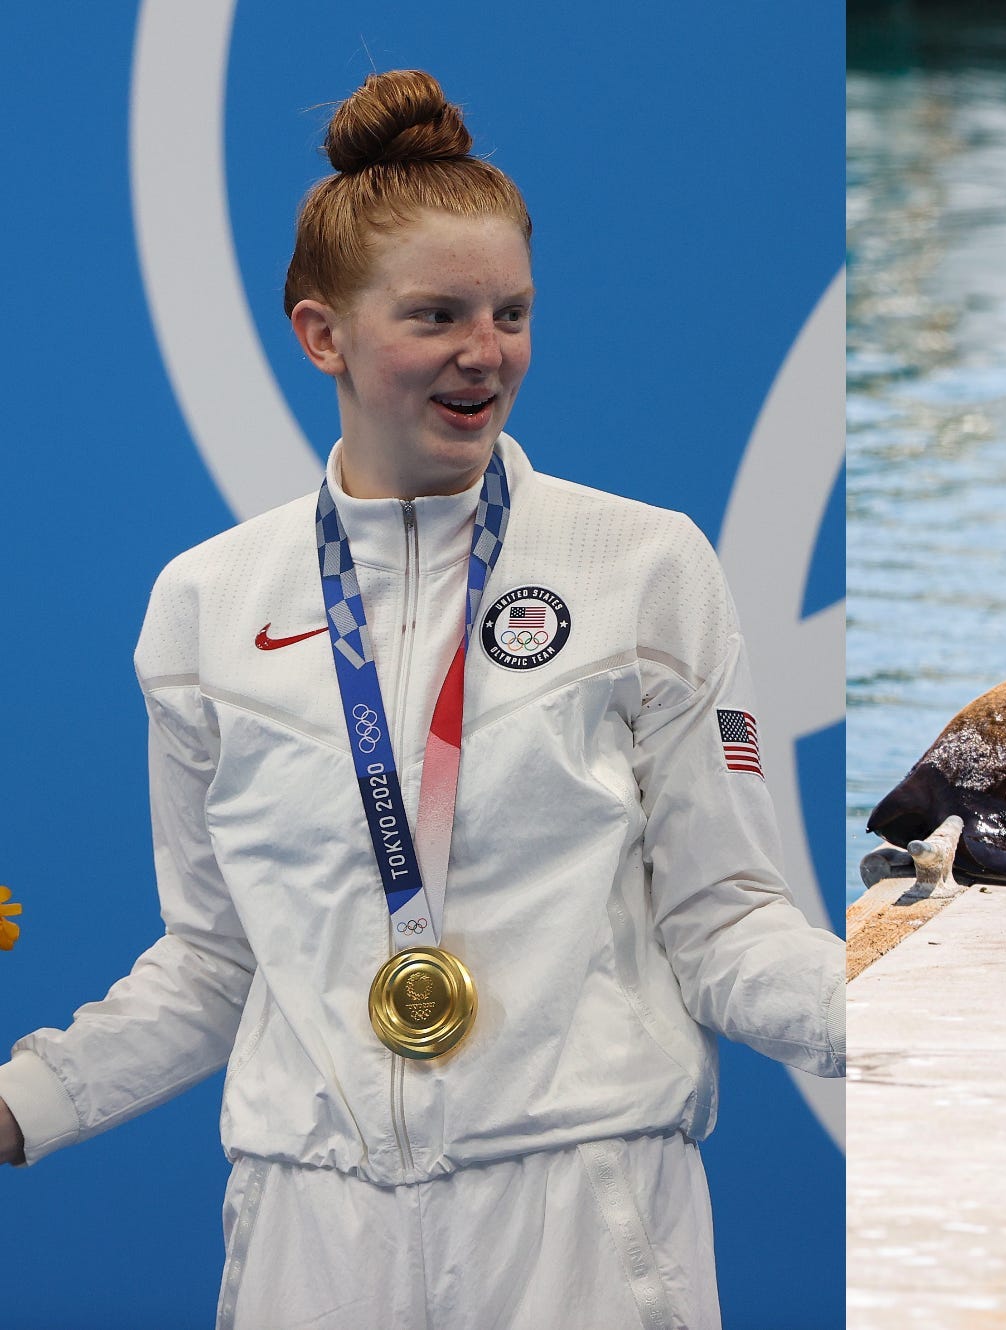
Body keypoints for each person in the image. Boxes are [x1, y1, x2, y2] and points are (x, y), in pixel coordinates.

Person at [0, 70, 843, 1329]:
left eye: (511, 311)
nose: (485, 352)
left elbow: (725, 923)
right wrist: (26, 1103)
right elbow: (214, 960)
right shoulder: (206, 604)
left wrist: (916, 1018)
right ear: (321, 332)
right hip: (309, 1224)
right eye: (437, 313)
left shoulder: (645, 566)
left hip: (583, 1212)